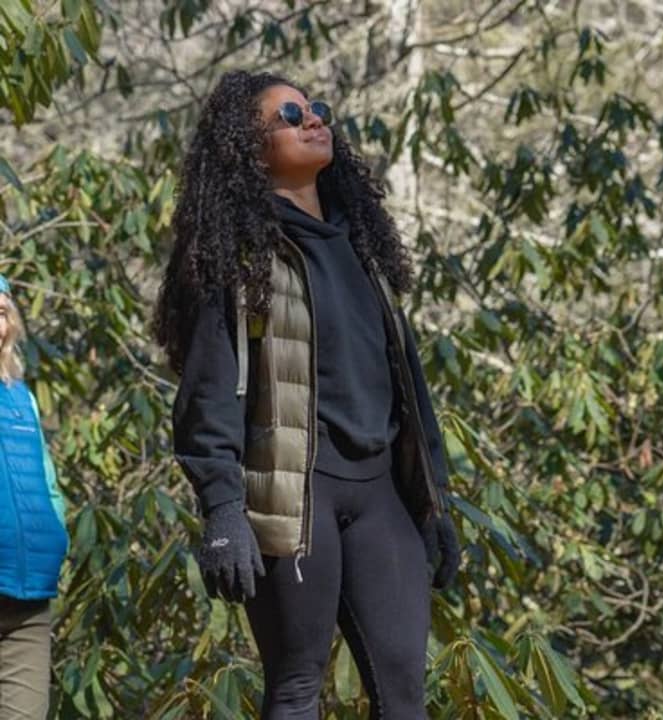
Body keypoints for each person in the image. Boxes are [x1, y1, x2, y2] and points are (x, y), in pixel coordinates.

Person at [155, 70, 461, 720]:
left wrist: (433, 500)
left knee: (405, 693)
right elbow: (208, 394)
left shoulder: (364, 249)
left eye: (315, 108)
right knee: (297, 688)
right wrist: (223, 510)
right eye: (290, 117)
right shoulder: (242, 256)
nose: (313, 119)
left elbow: (409, 389)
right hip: (292, 498)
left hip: (380, 495)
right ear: (251, 148)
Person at [0, 274, 68, 720]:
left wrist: (56, 531)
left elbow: (48, 482)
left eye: (2, 313)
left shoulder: (20, 397)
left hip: (28, 597)